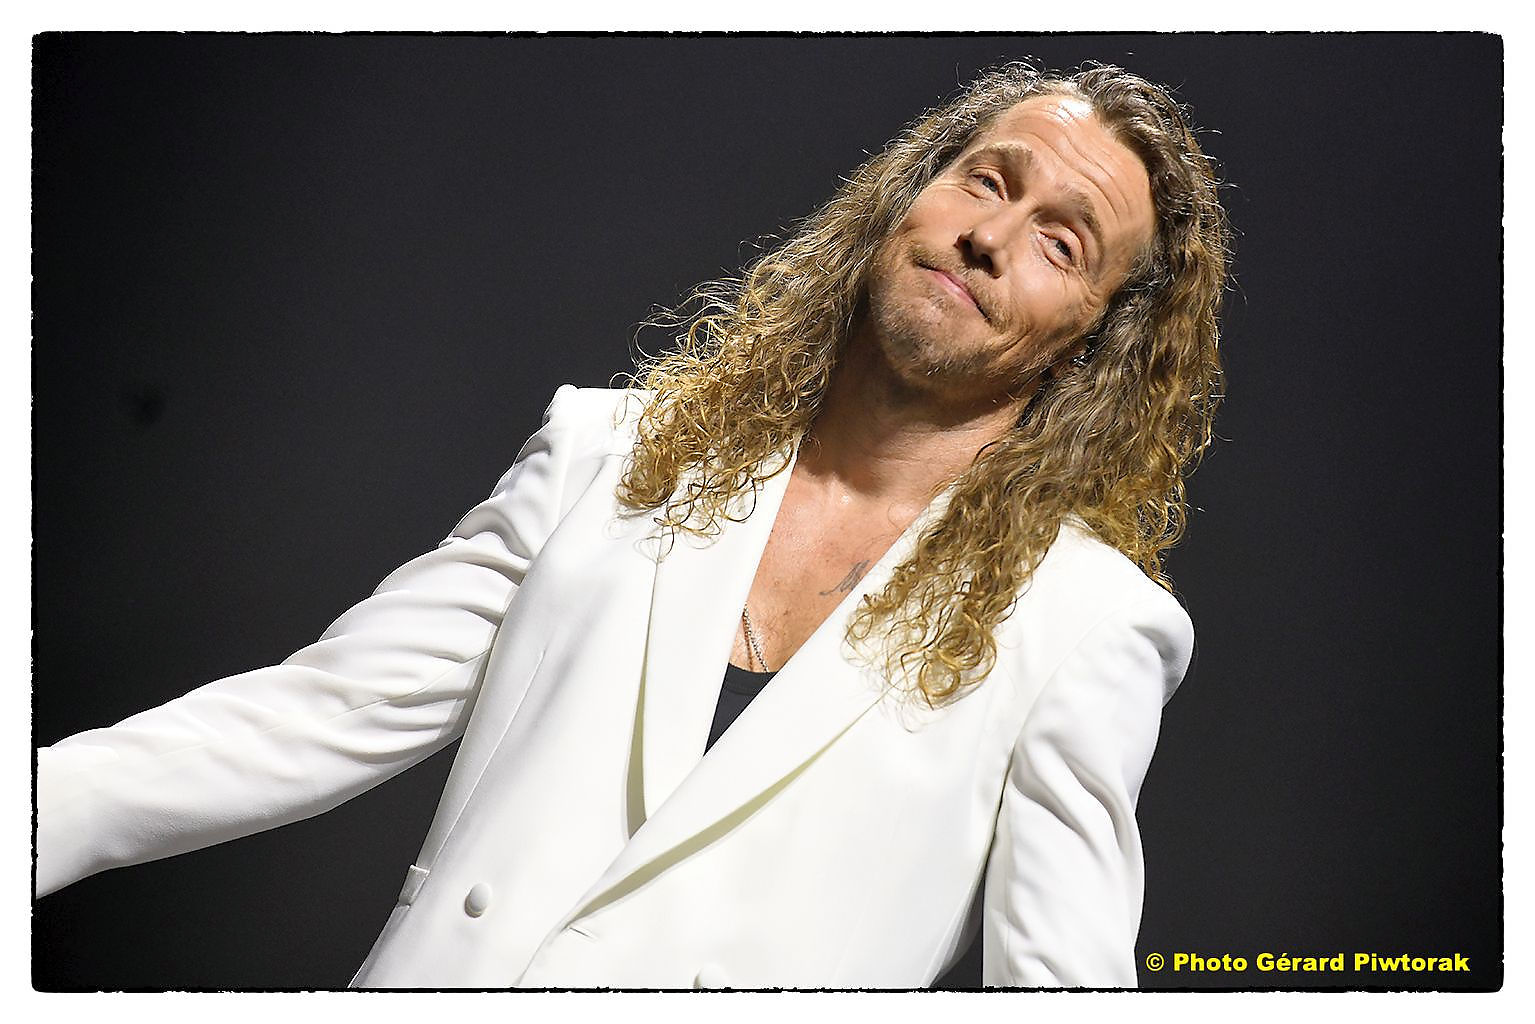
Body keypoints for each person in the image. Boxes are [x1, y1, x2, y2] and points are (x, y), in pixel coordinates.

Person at [34, 61, 1228, 989]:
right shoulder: (610, 453)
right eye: (984, 179)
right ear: (906, 194)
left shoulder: (1084, 626)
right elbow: (314, 713)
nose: (989, 237)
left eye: (1059, 241)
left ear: (1091, 337)